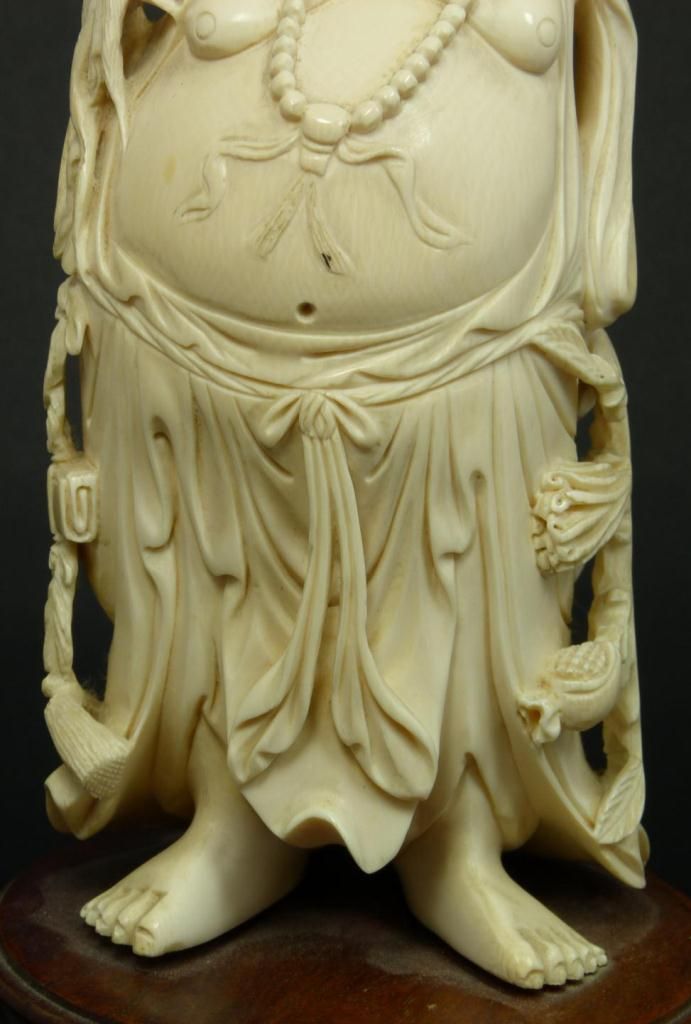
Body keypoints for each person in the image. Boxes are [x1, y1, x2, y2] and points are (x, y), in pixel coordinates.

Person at [42, 0, 646, 988]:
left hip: (474, 344)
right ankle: (232, 819)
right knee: (216, 581)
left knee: (465, 578)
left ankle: (454, 842)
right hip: (191, 345)